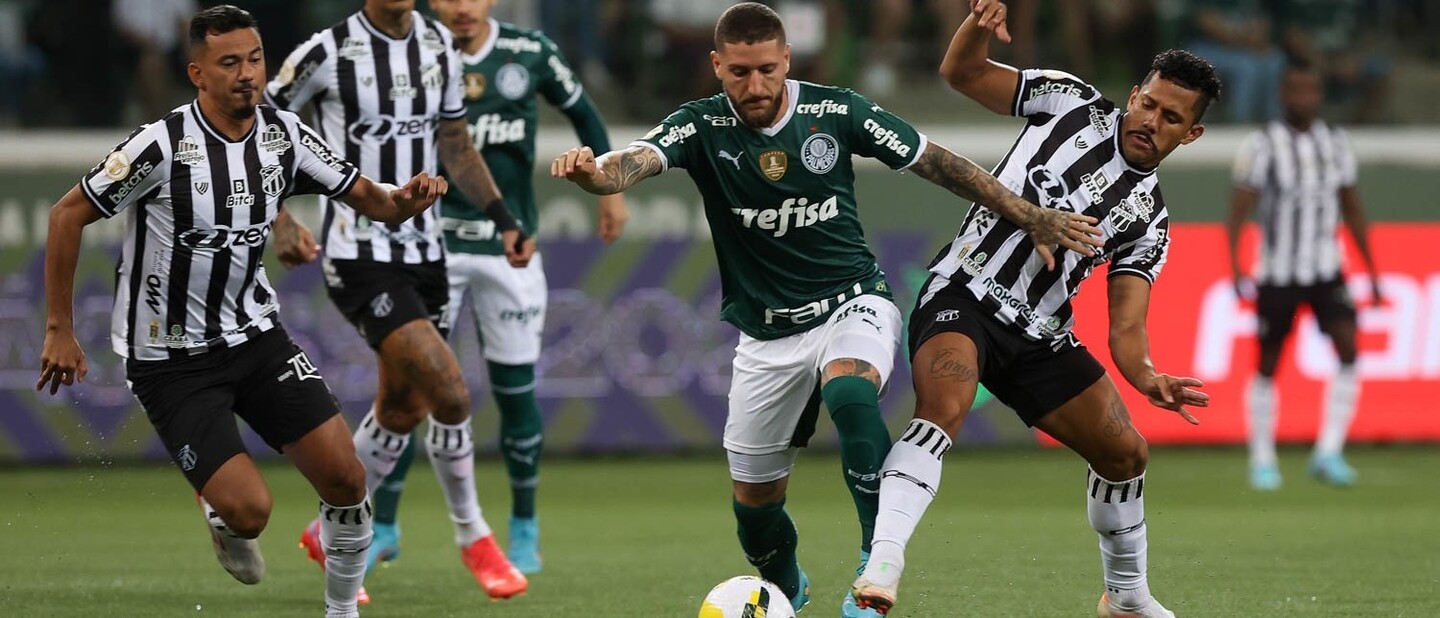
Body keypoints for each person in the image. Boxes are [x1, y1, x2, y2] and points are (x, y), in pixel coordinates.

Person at [551, 4, 1101, 615]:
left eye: (767, 69)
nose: (755, 86)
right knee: (754, 510)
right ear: (717, 65)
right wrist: (593, 175)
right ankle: (786, 587)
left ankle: (874, 561)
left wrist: (1029, 215)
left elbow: (937, 161)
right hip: (766, 337)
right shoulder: (699, 126)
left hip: (852, 301)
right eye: (739, 72)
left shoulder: (836, 112)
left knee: (851, 392)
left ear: (787, 59)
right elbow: (630, 163)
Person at [34, 6, 448, 617]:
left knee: (346, 477)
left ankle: (342, 612)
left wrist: (406, 200)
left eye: (254, 59)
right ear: (198, 74)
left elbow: (372, 200)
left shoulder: (284, 136)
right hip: (172, 360)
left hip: (255, 338)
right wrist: (59, 328)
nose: (247, 74)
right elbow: (67, 214)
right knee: (251, 512)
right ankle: (223, 515)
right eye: (229, 63)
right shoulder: (160, 145)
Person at [851, 2, 1220, 616]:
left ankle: (1126, 598)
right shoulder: (1069, 101)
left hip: (1040, 335)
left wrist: (1146, 374)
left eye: (1172, 118)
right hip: (963, 292)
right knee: (944, 408)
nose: (1151, 122)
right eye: (1149, 104)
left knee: (1126, 453)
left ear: (1191, 134)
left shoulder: (1150, 221)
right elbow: (963, 73)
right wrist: (977, 24)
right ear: (1134, 95)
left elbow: (1127, 325)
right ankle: (884, 561)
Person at [263, 0, 534, 601]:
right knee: (450, 390)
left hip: (426, 253)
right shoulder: (325, 51)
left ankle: (325, 532)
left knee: (403, 408)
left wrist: (503, 217)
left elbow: (456, 144)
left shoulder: (438, 44)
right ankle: (474, 534)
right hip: (359, 253)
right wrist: (279, 218)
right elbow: (256, 128)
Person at [362, 0, 630, 576]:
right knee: (408, 387)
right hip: (430, 246)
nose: (462, 7)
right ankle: (383, 526)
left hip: (510, 247)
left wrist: (611, 191)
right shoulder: (412, 54)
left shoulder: (529, 52)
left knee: (514, 392)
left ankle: (524, 527)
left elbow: (585, 115)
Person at [1226, 59, 1380, 491]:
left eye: (1310, 89)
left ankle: (1329, 452)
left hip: (1327, 268)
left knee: (1349, 348)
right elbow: (1238, 210)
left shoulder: (1336, 142)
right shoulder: (1262, 144)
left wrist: (1372, 269)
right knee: (1268, 361)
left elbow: (1352, 205)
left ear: (1320, 94)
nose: (1303, 97)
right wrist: (1236, 264)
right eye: (1295, 89)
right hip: (1278, 272)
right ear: (1282, 94)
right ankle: (1262, 459)